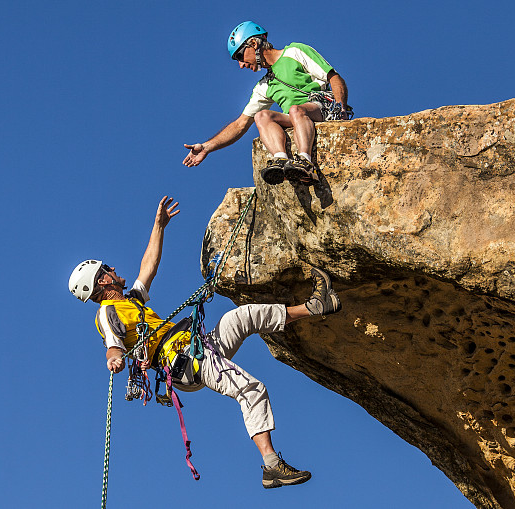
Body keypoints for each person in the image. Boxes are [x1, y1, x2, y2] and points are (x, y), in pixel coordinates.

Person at [68, 196, 342, 489]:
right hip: (185, 362)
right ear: (102, 281)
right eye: (107, 268)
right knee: (251, 388)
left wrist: (159, 226)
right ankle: (272, 466)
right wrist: (114, 358)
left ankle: (314, 307)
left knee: (241, 317)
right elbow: (113, 342)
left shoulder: (131, 301)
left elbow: (149, 266)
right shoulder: (108, 312)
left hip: (197, 348)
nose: (113, 269)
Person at [183, 21, 352, 185]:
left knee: (295, 110)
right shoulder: (264, 85)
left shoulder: (295, 52)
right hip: (297, 116)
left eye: (240, 56)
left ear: (254, 43)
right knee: (262, 116)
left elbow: (333, 77)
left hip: (322, 106)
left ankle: (306, 163)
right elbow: (240, 124)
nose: (241, 65)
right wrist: (206, 147)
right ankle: (280, 160)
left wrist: (341, 108)